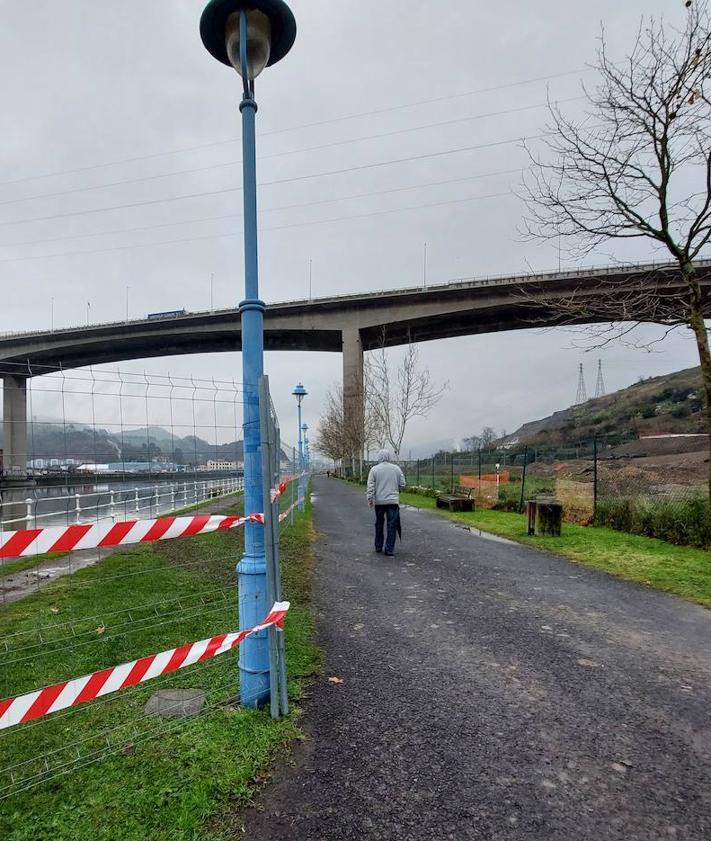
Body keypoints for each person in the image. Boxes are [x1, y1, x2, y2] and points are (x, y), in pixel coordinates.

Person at [366, 450, 406, 556]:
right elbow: (402, 484)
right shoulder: (396, 468)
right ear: (389, 457)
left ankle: (378, 546)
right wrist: (397, 490)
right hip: (393, 501)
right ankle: (389, 549)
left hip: (379, 502)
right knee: (392, 525)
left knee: (379, 523)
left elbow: (370, 486)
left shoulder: (374, 469)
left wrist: (370, 499)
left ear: (379, 457)